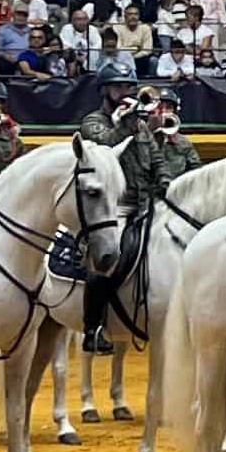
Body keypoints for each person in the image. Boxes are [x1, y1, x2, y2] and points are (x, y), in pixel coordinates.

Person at [79, 84, 199, 355]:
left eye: (126, 87)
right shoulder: (94, 122)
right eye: (117, 87)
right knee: (109, 258)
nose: (122, 92)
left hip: (147, 205)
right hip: (114, 207)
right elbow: (103, 146)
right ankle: (93, 327)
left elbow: (157, 161)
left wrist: (167, 185)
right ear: (105, 90)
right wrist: (127, 123)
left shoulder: (142, 126)